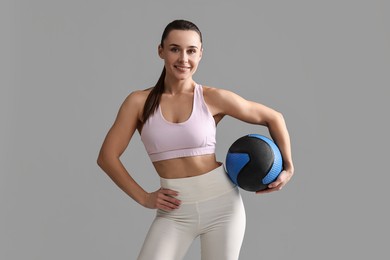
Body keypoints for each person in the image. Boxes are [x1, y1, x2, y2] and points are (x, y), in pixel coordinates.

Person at [97, 19, 294, 260]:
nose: (183, 59)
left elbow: (274, 117)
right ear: (161, 51)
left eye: (191, 51)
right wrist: (144, 198)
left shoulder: (212, 98)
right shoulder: (138, 102)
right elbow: (107, 157)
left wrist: (289, 167)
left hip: (223, 206)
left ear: (200, 54)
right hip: (174, 211)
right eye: (174, 49)